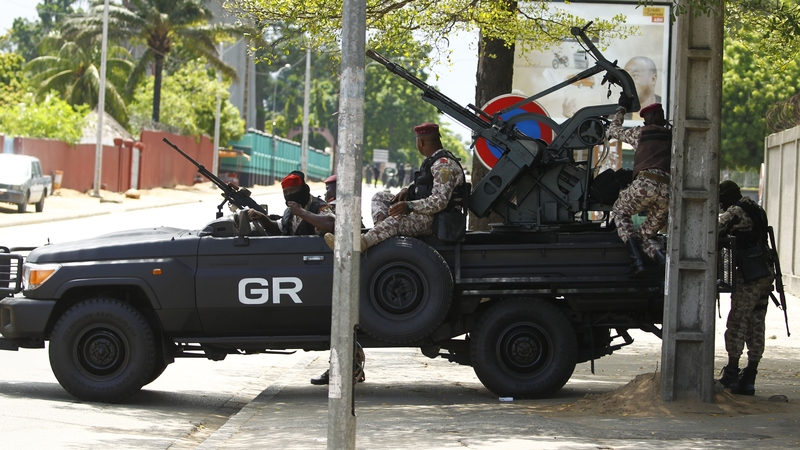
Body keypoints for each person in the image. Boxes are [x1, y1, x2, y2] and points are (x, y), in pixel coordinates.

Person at [325, 122, 465, 252]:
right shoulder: (434, 161)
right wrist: (407, 190)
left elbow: (439, 201)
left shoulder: (443, 164)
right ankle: (379, 231)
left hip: (436, 220)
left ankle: (357, 245)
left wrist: (409, 206)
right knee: (380, 197)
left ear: (420, 142)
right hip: (427, 213)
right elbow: (425, 183)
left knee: (397, 220)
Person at [717, 180, 775, 395]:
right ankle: (750, 376)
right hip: (764, 272)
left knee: (738, 320)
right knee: (756, 322)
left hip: (749, 275)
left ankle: (732, 374)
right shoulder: (756, 208)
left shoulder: (737, 211)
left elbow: (715, 230)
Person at [608, 98, 671, 276]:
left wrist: (621, 108)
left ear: (646, 120)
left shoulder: (641, 133)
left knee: (620, 212)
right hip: (667, 191)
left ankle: (636, 259)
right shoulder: (673, 136)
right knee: (646, 236)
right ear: (663, 118)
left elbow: (613, 130)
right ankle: (663, 261)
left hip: (644, 184)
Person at [247, 172, 335, 236]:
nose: (289, 195)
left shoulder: (318, 206)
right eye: (286, 192)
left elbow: (329, 223)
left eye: (293, 190)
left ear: (303, 190)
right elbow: (280, 229)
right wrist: (262, 218)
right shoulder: (289, 212)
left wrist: (301, 212)